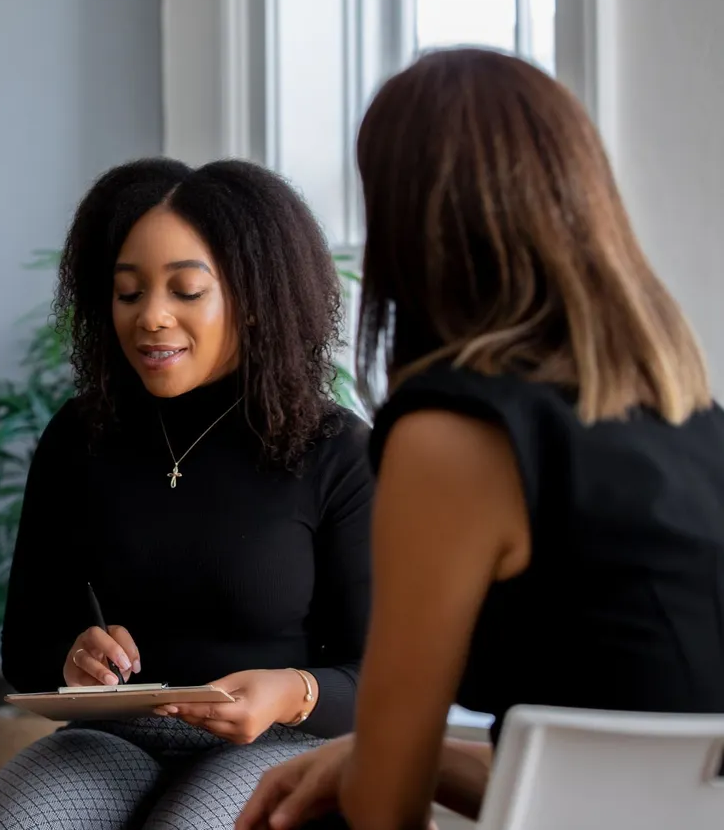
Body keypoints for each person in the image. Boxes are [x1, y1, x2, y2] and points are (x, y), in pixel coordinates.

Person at [237, 48, 724, 830]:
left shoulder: (456, 436)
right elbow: (625, 766)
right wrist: (400, 756)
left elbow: (384, 809)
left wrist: (382, 763)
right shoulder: (693, 420)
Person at [0, 158, 374, 830]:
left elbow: (384, 680)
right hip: (117, 738)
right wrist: (73, 657)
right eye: (128, 293)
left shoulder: (335, 449)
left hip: (282, 741)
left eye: (187, 289)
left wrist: (291, 691)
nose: (152, 317)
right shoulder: (80, 434)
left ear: (256, 295)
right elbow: (26, 648)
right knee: (19, 819)